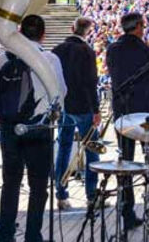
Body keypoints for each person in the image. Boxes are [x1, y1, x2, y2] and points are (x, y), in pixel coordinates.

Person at [0, 14, 66, 242]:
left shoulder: (1, 58)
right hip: (38, 128)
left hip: (9, 127)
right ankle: (33, 235)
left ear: (20, 33)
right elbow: (61, 93)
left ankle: (5, 233)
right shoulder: (50, 58)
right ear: (43, 34)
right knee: (38, 187)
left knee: (10, 183)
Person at [106, 12, 149, 230]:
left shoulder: (113, 49)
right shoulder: (145, 49)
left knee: (126, 161)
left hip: (122, 112)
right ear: (139, 27)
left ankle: (127, 212)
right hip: (145, 114)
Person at [53, 17, 101, 210]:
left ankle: (61, 195)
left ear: (72, 28)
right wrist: (96, 110)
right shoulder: (87, 51)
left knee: (63, 149)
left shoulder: (57, 50)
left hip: (63, 105)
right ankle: (91, 195)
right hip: (83, 106)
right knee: (92, 149)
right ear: (87, 32)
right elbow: (91, 82)